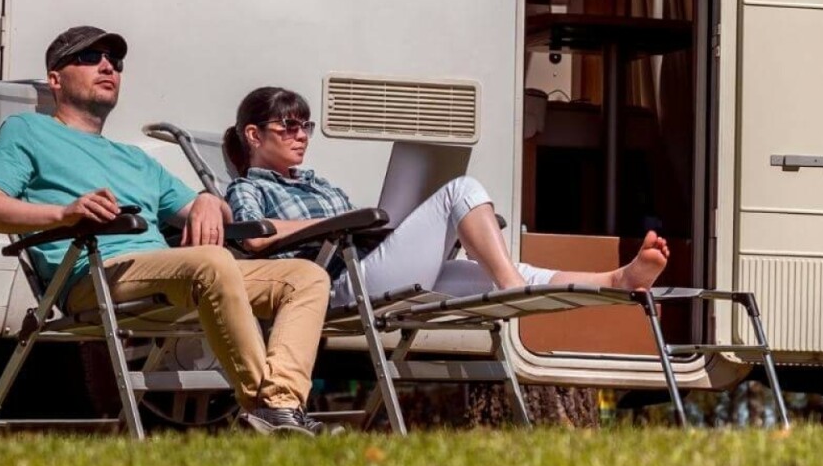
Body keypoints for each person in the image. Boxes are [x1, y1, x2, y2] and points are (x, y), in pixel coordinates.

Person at [0, 28, 336, 436]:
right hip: (94, 273)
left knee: (306, 277)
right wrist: (65, 213)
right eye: (89, 58)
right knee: (212, 262)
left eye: (115, 61)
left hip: (167, 273)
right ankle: (264, 407)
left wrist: (210, 201)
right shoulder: (28, 131)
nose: (107, 66)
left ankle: (281, 405)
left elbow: (208, 210)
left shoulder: (135, 159)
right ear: (56, 79)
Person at [220, 86, 668, 304]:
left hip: (370, 265)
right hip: (336, 286)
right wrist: (327, 226)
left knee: (501, 270)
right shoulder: (248, 186)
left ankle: (617, 280)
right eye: (289, 127)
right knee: (462, 191)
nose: (301, 136)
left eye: (306, 126)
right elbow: (253, 240)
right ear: (254, 135)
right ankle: (513, 290)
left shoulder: (317, 182)